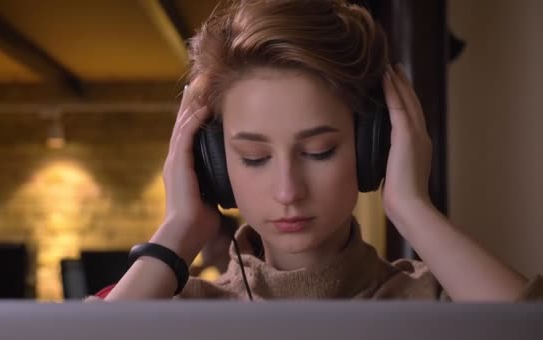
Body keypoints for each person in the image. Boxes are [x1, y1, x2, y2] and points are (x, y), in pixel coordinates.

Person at [87, 0, 542, 302]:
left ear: (373, 147)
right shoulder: (168, 308)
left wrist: (412, 207)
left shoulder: (439, 300)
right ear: (212, 165)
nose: (288, 191)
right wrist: (180, 229)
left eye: (320, 151)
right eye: (254, 157)